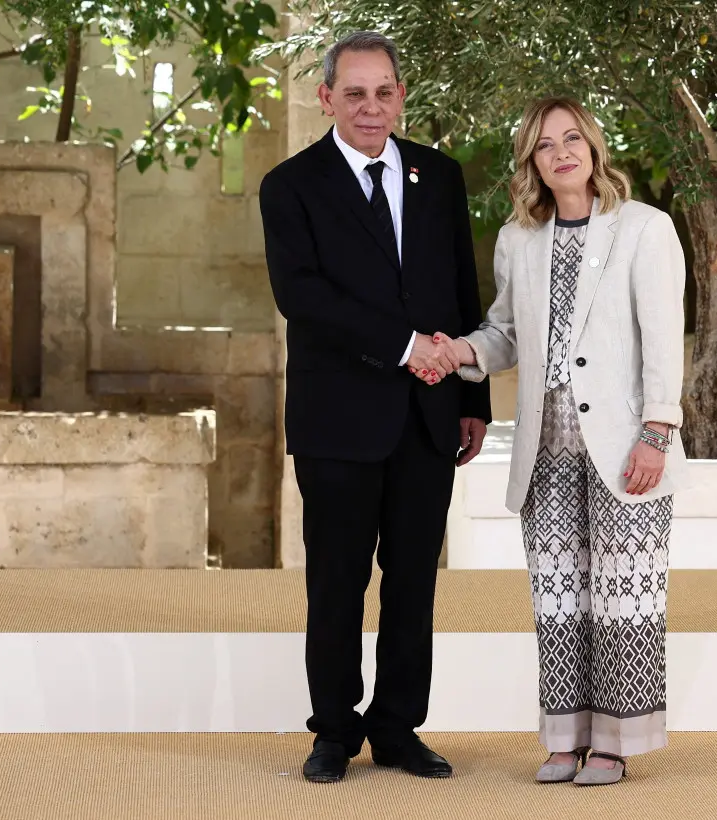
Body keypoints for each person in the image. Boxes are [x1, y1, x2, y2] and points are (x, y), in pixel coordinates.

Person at [421, 96, 688, 786]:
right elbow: (506, 333)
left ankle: (615, 744)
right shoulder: (520, 240)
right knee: (559, 599)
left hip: (626, 446)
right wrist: (459, 354)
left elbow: (663, 338)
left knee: (624, 599)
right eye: (546, 144)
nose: (562, 152)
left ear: (595, 147)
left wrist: (658, 432)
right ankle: (564, 740)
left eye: (573, 138)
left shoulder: (643, 229)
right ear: (532, 163)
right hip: (547, 449)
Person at [259, 31, 491, 784]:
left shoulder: (440, 175)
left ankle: (397, 730)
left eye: (383, 91)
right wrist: (404, 345)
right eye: (354, 93)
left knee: (414, 581)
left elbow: (463, 290)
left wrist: (473, 398)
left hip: (429, 417)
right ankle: (333, 731)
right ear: (326, 97)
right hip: (338, 420)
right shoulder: (290, 186)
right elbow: (304, 298)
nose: (371, 106)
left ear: (400, 96)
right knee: (336, 581)